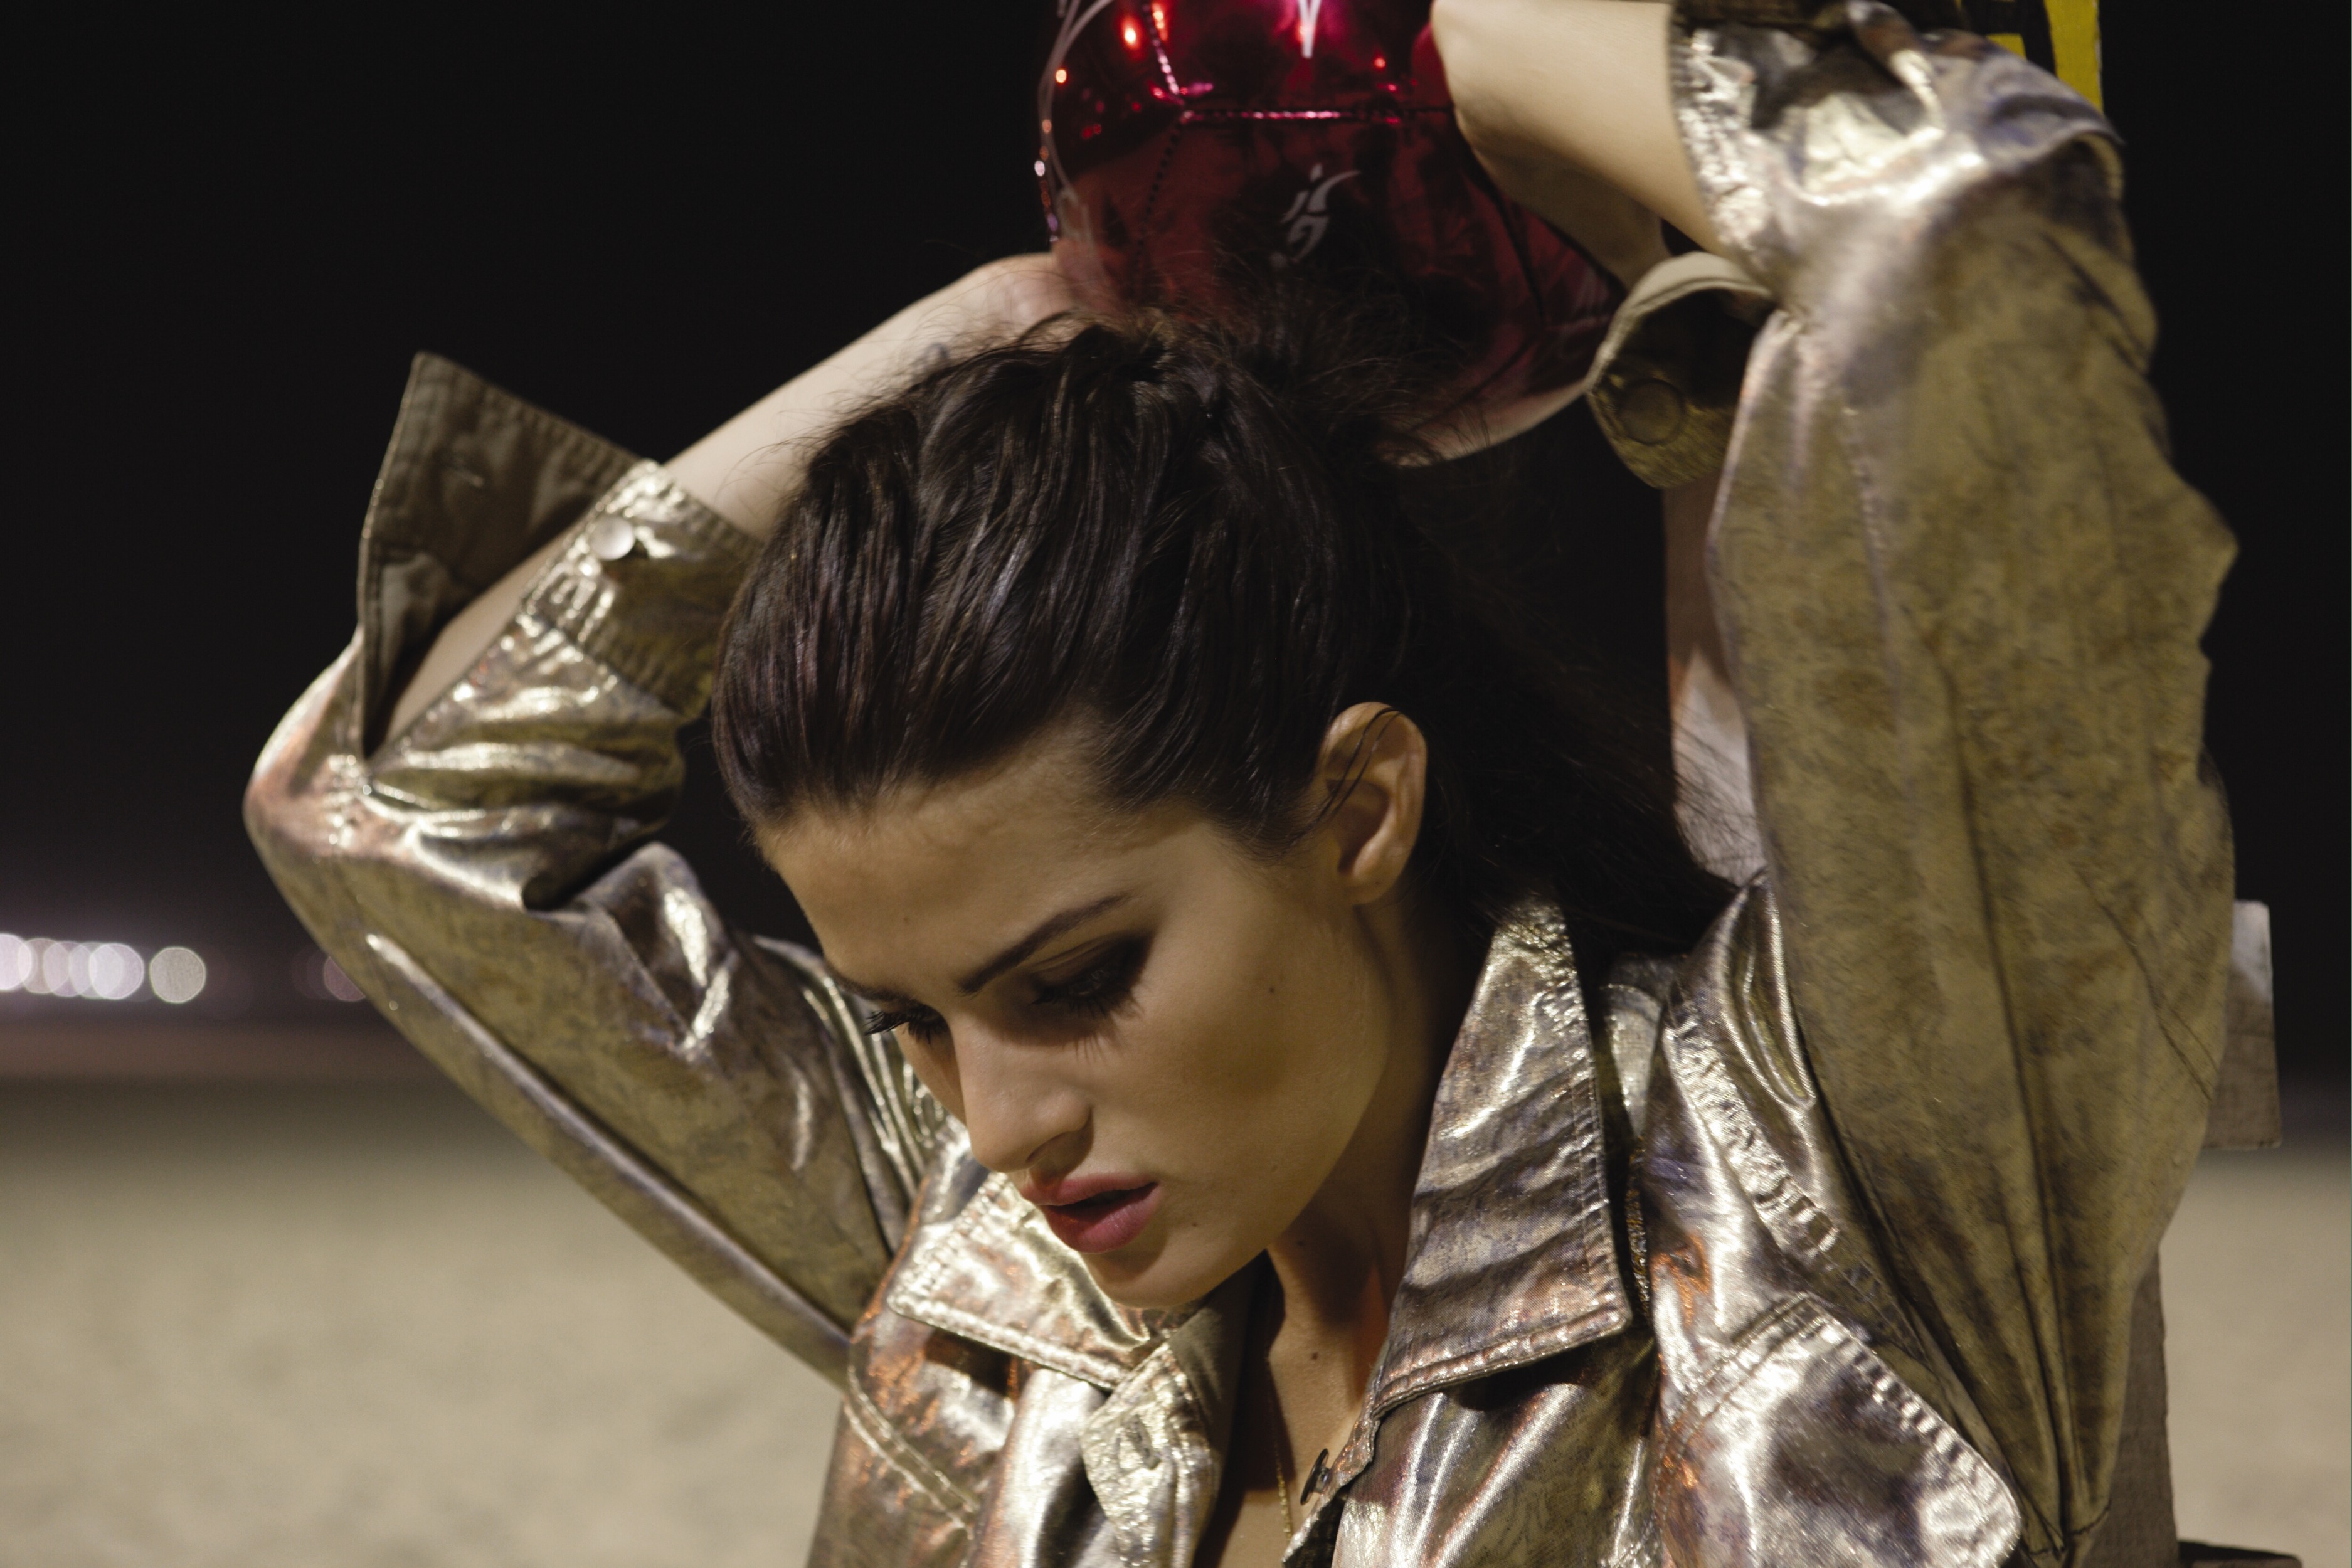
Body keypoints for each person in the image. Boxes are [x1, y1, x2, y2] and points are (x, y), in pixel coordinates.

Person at [246, 3, 2238, 1564]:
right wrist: (1036, 317)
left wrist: (1477, 50)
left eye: (1075, 975)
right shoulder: (1006, 1299)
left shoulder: (1836, 1191)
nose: (999, 1123)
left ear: (1361, 804)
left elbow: (1958, 238)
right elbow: (397, 812)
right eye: (911, 1021)